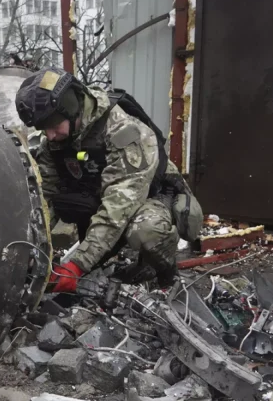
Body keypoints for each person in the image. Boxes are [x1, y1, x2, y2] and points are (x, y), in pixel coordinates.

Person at [15, 67, 203, 291]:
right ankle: (106, 260)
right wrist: (29, 248)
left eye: (53, 126)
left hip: (152, 197)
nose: (50, 136)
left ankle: (164, 274)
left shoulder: (123, 131)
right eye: (43, 129)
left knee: (146, 233)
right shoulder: (55, 142)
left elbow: (119, 204)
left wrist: (77, 265)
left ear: (71, 108)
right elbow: (44, 198)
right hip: (104, 198)